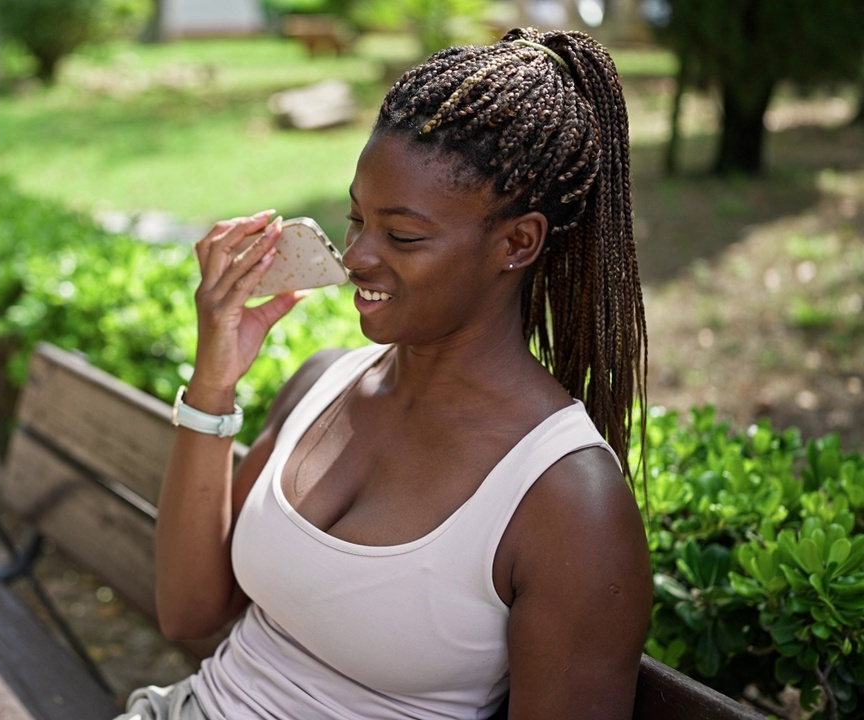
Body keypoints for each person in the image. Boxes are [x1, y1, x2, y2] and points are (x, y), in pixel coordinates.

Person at [122, 26, 652, 720]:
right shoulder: (323, 384)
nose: (358, 257)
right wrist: (214, 382)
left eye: (402, 236)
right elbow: (189, 614)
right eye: (356, 219)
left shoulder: (566, 502)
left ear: (517, 243)